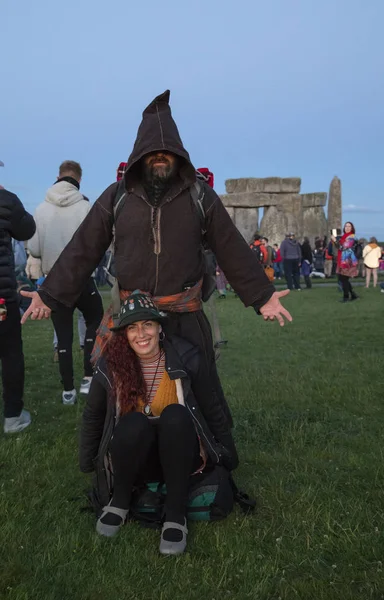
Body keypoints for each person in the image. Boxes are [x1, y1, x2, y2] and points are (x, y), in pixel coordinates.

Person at [21, 91, 292, 421]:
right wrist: (49, 294)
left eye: (167, 151)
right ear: (140, 156)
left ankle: (205, 462)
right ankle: (132, 460)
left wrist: (262, 296)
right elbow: (83, 247)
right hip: (134, 319)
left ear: (179, 155)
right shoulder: (117, 196)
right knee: (133, 396)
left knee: (197, 396)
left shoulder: (199, 196)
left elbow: (230, 245)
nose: (160, 157)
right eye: (153, 152)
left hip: (186, 316)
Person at [80, 291, 238, 554]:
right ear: (124, 334)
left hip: (179, 455)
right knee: (134, 423)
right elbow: (93, 415)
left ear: (159, 327)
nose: (141, 334)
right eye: (132, 327)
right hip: (136, 459)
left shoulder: (186, 357)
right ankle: (119, 501)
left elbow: (211, 408)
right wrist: (87, 460)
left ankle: (176, 514)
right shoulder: (112, 365)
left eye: (147, 325)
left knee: (175, 415)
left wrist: (228, 453)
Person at [27, 161, 104, 404]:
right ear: (78, 180)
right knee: (94, 320)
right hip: (82, 278)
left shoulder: (40, 209)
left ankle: (67, 390)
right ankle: (88, 378)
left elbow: (34, 248)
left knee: (62, 335)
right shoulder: (85, 206)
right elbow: (96, 244)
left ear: (58, 177)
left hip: (53, 281)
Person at [0, 181, 36, 433]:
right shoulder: (5, 200)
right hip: (1, 299)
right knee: (11, 353)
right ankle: (12, 416)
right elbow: (26, 229)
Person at [332, 222, 359, 302]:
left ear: (352, 228)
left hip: (347, 261)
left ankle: (346, 297)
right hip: (342, 260)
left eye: (349, 226)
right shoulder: (344, 236)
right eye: (346, 226)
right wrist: (335, 240)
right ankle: (353, 295)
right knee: (343, 279)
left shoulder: (351, 237)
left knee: (343, 279)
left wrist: (335, 241)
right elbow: (339, 247)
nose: (347, 227)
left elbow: (343, 248)